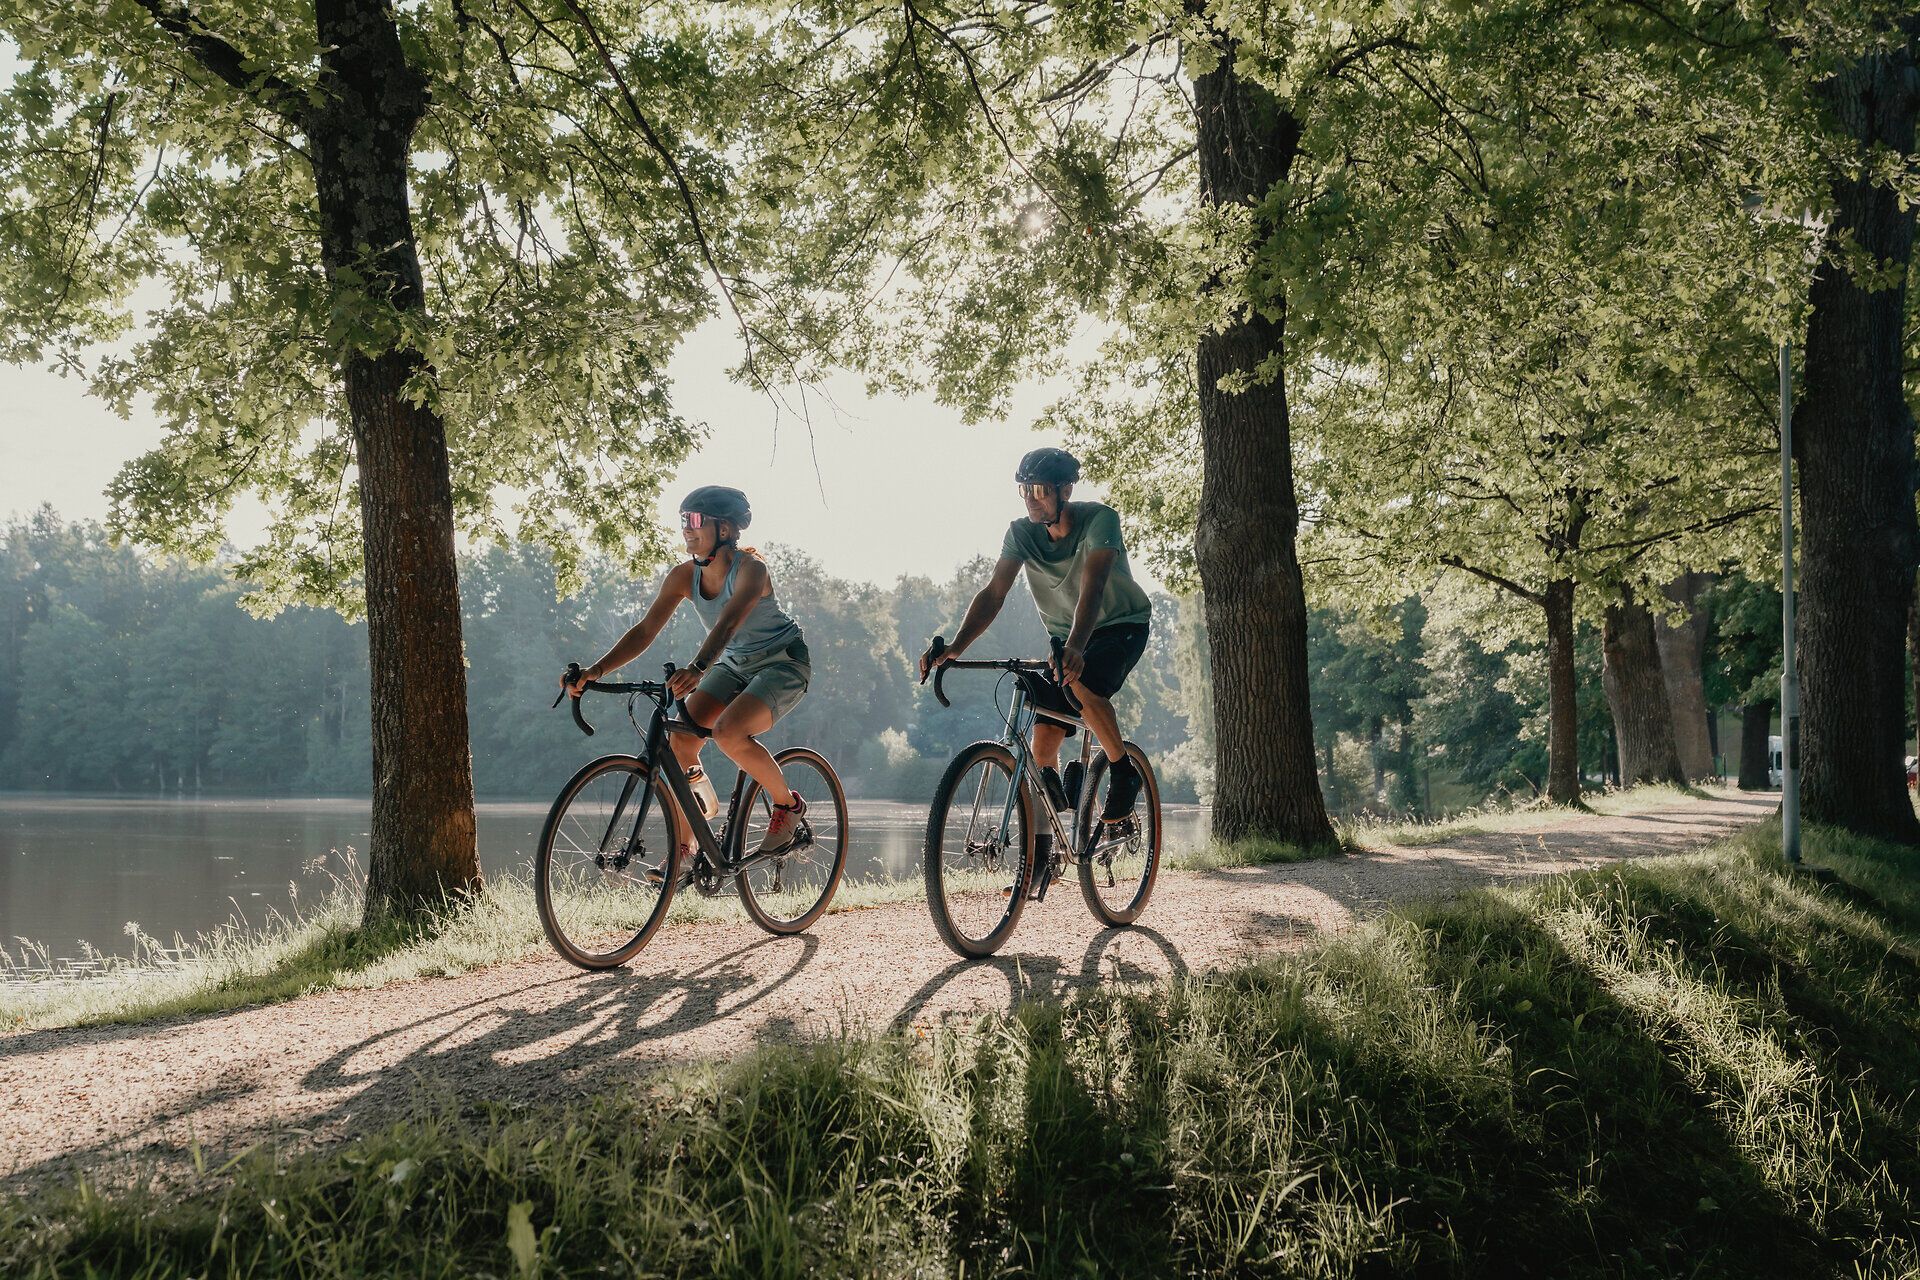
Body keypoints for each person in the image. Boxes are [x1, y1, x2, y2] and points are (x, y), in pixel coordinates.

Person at [919, 447, 1151, 883]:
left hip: (1120, 625)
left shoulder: (1101, 520)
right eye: (1024, 490)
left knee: (1079, 683)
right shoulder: (1020, 533)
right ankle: (1045, 853)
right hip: (1068, 639)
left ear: (1066, 490)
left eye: (1040, 490)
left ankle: (1122, 772)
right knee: (1042, 741)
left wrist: (1077, 647)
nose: (1030, 499)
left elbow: (1094, 585)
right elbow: (994, 594)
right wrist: (955, 646)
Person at [563, 486, 811, 867]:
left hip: (782, 663)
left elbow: (729, 622)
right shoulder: (683, 576)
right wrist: (596, 671)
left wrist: (697, 668)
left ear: (724, 529)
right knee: (681, 741)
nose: (687, 529)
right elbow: (645, 631)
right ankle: (686, 845)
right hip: (733, 665)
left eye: (695, 520)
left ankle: (788, 804)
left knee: (729, 732)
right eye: (683, 520)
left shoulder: (751, 570)